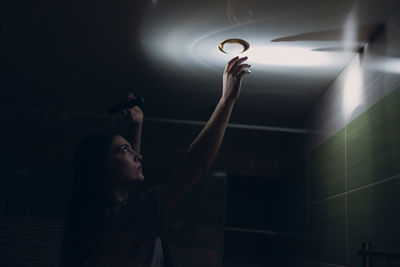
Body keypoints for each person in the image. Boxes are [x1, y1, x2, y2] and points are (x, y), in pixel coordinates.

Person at [59, 56, 251, 267]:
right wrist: (226, 100)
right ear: (101, 168)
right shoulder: (116, 221)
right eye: (125, 150)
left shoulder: (106, 223)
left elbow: (127, 204)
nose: (138, 156)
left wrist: (136, 127)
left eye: (131, 149)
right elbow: (195, 166)